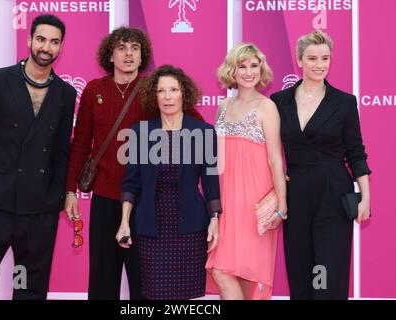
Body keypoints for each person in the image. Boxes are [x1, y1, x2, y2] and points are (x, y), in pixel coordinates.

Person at [64, 28, 203, 300]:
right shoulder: (95, 90)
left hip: (146, 201)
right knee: (103, 277)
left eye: (135, 48)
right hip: (105, 197)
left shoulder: (153, 88)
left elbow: (195, 123)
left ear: (142, 55)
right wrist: (70, 191)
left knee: (145, 280)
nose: (128, 53)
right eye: (122, 47)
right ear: (110, 54)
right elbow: (80, 143)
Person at [0, 14, 77, 300]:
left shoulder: (65, 94)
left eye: (54, 42)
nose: (46, 47)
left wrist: (56, 199)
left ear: (61, 47)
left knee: (26, 289)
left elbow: (62, 151)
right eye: (41, 39)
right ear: (29, 40)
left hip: (37, 215)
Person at [270, 30, 371, 300]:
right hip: (297, 194)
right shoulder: (279, 101)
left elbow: (356, 152)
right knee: (300, 266)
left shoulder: (345, 102)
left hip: (333, 192)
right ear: (299, 60)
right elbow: (268, 151)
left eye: (325, 58)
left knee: (327, 268)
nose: (319, 64)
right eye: (312, 58)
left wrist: (365, 197)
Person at [115, 65, 221, 300]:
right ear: (155, 95)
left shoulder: (203, 132)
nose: (168, 96)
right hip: (152, 225)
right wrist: (124, 222)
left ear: (184, 93)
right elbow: (131, 184)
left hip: (191, 226)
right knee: (155, 293)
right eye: (161, 91)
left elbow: (211, 181)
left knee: (187, 296)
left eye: (173, 90)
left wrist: (215, 219)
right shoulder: (140, 133)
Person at [205, 43, 287, 300]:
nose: (249, 72)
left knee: (239, 273)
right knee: (225, 271)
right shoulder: (222, 107)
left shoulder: (267, 107)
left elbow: (275, 158)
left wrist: (282, 206)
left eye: (254, 65)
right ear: (233, 70)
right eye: (243, 66)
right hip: (225, 198)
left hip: (254, 199)